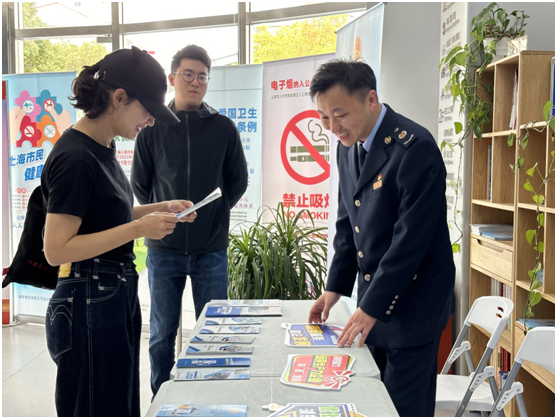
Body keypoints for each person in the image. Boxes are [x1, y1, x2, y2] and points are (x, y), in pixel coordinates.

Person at [41, 46, 197, 417]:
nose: (151, 121)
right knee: (99, 406)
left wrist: (158, 209)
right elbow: (56, 248)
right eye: (147, 110)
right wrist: (139, 228)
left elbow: (103, 216)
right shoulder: (75, 157)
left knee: (117, 405)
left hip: (109, 294)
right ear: (119, 98)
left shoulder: (103, 148)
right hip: (88, 299)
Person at [307, 59, 455, 417]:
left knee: (403, 408)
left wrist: (371, 307)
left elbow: (410, 242)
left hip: (414, 304)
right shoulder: (347, 147)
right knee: (372, 401)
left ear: (370, 99)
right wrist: (334, 288)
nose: (333, 128)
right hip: (373, 298)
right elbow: (348, 224)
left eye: (340, 115)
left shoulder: (414, 148)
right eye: (324, 118)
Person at [131, 44, 248, 396]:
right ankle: (161, 398)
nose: (195, 82)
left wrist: (214, 215)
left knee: (214, 331)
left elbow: (237, 181)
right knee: (162, 333)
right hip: (163, 248)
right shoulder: (151, 128)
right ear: (172, 78)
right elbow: (140, 184)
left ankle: (211, 399)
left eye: (202, 76)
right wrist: (162, 215)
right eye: (188, 74)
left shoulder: (223, 128)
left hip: (210, 249)